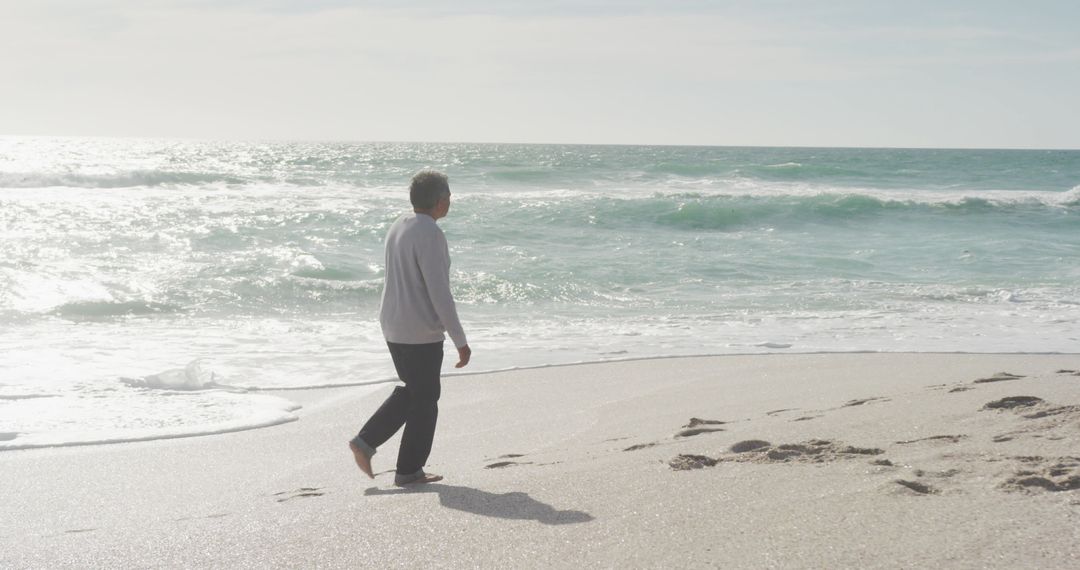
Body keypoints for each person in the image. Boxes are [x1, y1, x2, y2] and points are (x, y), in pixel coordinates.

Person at [349, 170, 471, 486]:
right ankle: (405, 469)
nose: (450, 201)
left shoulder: (399, 225)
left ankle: (369, 445)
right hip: (418, 329)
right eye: (449, 196)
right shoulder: (429, 232)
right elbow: (439, 291)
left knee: (416, 391)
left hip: (393, 322)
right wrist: (460, 339)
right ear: (441, 200)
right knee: (426, 397)